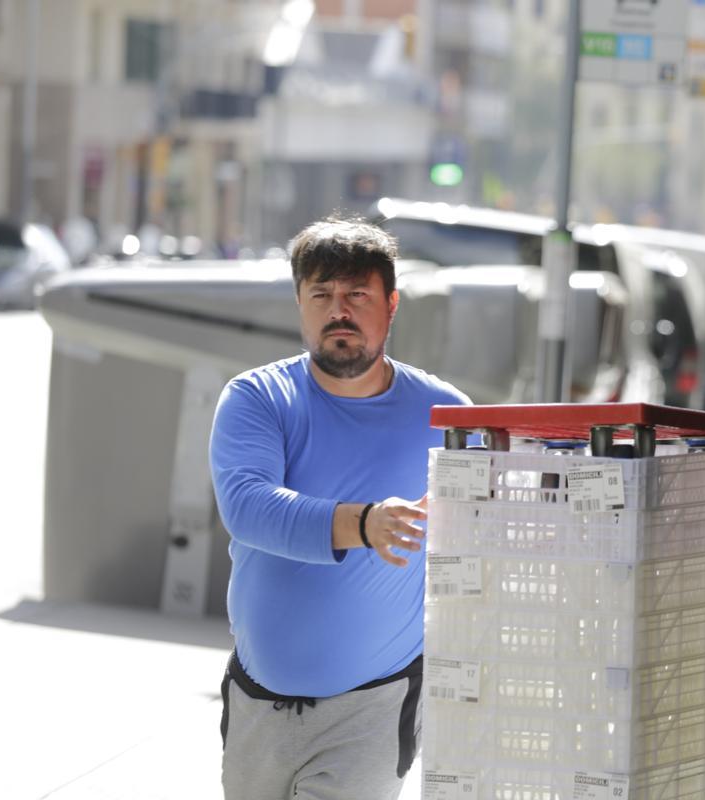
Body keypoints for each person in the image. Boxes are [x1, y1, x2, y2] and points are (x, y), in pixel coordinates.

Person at [209, 217, 471, 799]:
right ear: (300, 303)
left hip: (372, 708)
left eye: (357, 294)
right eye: (322, 295)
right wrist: (364, 523)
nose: (339, 311)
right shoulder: (256, 398)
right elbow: (248, 509)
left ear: (391, 305)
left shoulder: (447, 415)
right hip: (255, 701)